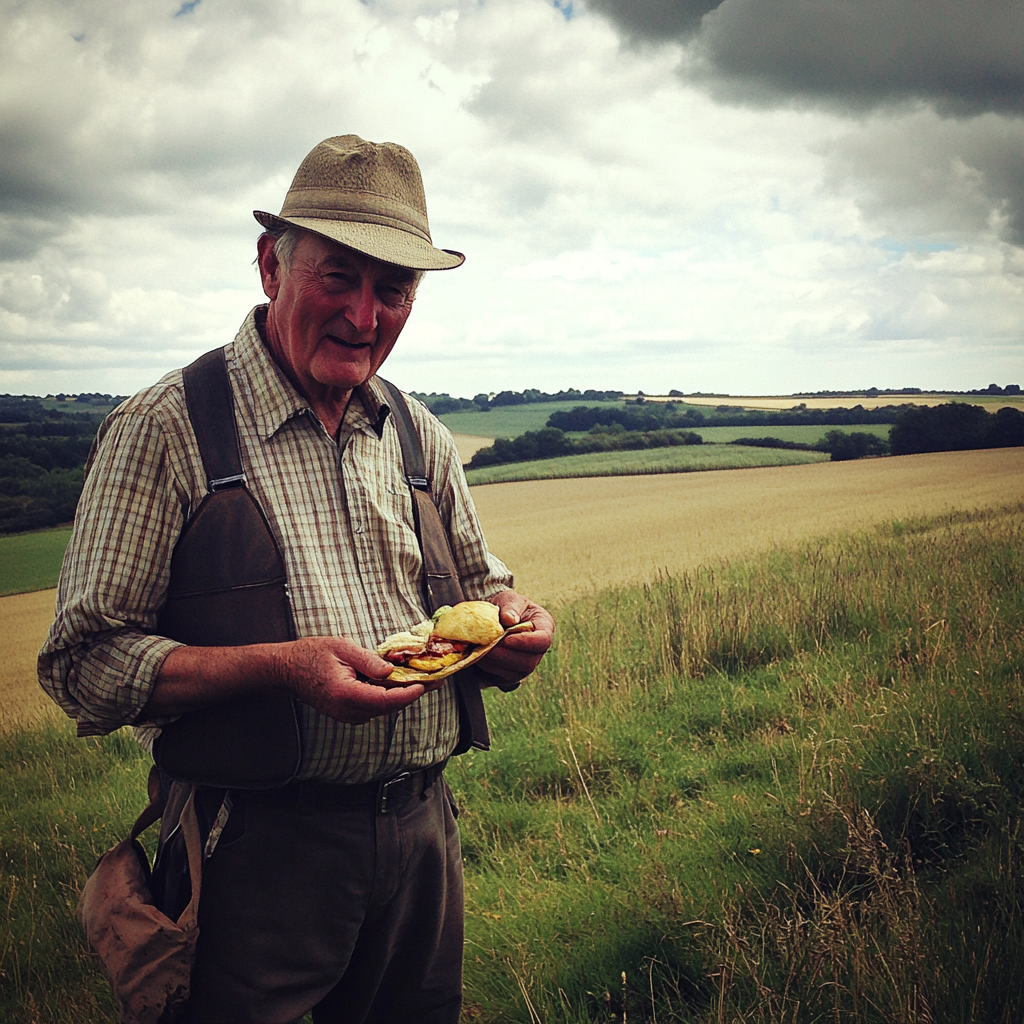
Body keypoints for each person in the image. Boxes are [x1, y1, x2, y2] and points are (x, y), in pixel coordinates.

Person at [38, 134, 555, 1023]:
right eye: (338, 277)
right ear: (271, 266)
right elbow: (82, 662)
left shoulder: (417, 431)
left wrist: (513, 622)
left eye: (392, 289)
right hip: (251, 852)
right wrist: (281, 669)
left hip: (422, 833)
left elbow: (481, 585)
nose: (365, 313)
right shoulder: (165, 428)